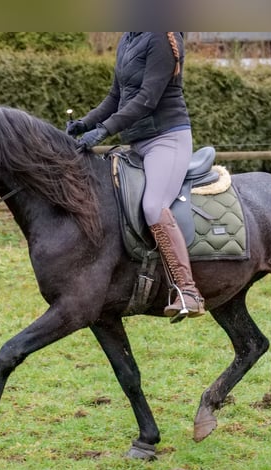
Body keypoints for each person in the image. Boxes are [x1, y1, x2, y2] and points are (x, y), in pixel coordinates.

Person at [66, 32, 204, 322]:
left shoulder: (161, 38)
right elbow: (116, 97)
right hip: (138, 143)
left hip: (167, 139)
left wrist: (104, 131)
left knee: (153, 206)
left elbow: (146, 99)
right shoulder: (128, 39)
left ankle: (187, 291)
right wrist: (85, 123)